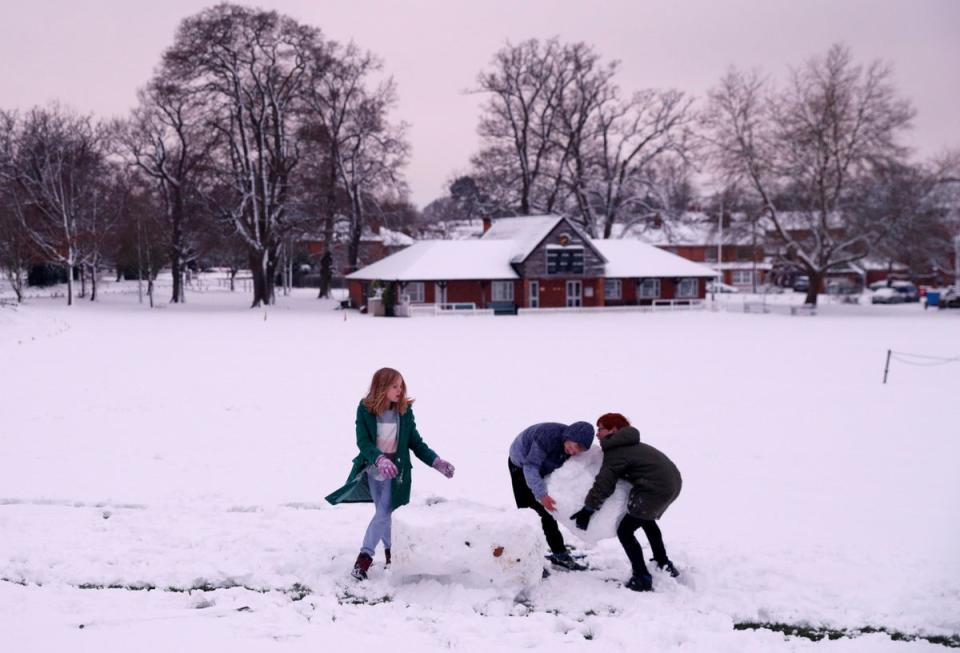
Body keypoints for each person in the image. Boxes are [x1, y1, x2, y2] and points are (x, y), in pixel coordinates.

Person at [326, 367, 455, 581]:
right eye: (394, 386)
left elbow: (416, 442)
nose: (400, 390)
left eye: (401, 385)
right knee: (384, 514)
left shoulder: (404, 411)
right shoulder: (365, 409)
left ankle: (364, 560)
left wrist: (436, 461)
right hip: (374, 471)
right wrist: (379, 458)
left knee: (385, 513)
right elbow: (363, 441)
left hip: (398, 474)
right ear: (381, 387)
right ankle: (391, 556)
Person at [570, 413, 681, 592]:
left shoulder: (617, 451)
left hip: (655, 490)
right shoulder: (631, 444)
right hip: (671, 485)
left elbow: (604, 484)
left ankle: (642, 577)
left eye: (601, 429)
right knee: (646, 521)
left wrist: (588, 509)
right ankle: (663, 562)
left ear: (614, 430)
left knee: (625, 530)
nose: (597, 434)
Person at [508, 420, 595, 570]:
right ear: (570, 436)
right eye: (575, 446)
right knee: (529, 514)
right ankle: (525, 562)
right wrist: (542, 495)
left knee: (546, 513)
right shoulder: (547, 436)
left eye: (579, 450)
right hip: (521, 464)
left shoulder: (567, 447)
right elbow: (530, 467)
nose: (574, 452)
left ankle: (559, 553)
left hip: (541, 467)